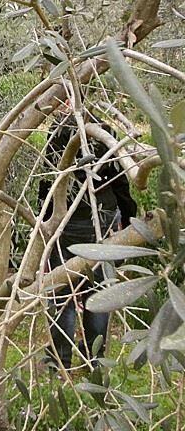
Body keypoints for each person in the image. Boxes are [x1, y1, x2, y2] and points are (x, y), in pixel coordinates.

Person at [38, 106, 137, 370]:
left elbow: (49, 180)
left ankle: (60, 359)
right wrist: (129, 214)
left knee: (62, 292)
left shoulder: (58, 132)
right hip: (102, 220)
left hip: (69, 220)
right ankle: (95, 360)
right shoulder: (104, 131)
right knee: (98, 290)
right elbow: (119, 179)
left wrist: (44, 219)